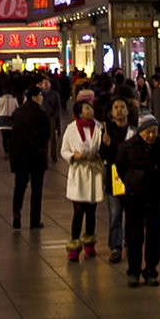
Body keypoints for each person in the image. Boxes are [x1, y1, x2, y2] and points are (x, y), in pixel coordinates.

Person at [116, 112, 160, 287]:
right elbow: (121, 169)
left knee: (155, 235)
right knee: (134, 235)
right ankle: (134, 271)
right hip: (134, 197)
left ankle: (151, 270)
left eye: (154, 131)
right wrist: (131, 183)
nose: (151, 135)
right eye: (148, 132)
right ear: (140, 131)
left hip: (157, 197)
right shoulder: (127, 147)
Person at [60, 91, 104, 261]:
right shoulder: (71, 129)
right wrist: (73, 156)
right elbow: (64, 150)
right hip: (78, 173)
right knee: (78, 211)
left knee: (92, 210)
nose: (90, 111)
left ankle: (90, 242)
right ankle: (74, 243)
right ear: (79, 112)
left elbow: (103, 148)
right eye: (87, 109)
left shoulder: (99, 127)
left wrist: (99, 155)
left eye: (91, 108)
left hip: (93, 172)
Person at [9, 84, 51, 230]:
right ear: (35, 97)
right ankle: (35, 220)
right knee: (36, 189)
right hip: (37, 155)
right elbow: (47, 134)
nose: (42, 99)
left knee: (19, 186)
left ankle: (16, 213)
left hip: (20, 155)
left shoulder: (18, 112)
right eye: (40, 96)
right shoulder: (41, 113)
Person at [100, 97, 135, 262]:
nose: (119, 110)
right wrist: (105, 145)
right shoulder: (107, 130)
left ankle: (130, 244)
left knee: (131, 213)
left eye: (122, 107)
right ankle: (115, 247)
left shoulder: (134, 130)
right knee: (115, 214)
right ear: (112, 112)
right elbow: (103, 156)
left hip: (131, 177)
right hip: (113, 177)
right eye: (116, 107)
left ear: (128, 111)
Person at [0, 80, 21, 156]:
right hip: (11, 119)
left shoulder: (0, 99)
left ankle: (6, 151)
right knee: (11, 137)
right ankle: (10, 150)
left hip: (2, 119)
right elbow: (18, 109)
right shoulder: (14, 100)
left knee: (4, 137)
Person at [38, 75, 62, 162]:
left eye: (47, 83)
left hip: (51, 117)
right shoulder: (39, 94)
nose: (45, 84)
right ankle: (45, 155)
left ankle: (53, 155)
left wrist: (55, 116)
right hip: (42, 118)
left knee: (52, 138)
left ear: (50, 84)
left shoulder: (55, 94)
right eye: (44, 83)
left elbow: (58, 106)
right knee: (43, 138)